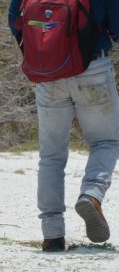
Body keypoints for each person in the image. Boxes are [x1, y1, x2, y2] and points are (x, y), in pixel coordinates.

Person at [9, 0, 119, 251]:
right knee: (105, 142)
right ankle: (91, 194)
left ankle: (52, 234)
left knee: (51, 156)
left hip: (48, 77)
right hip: (93, 69)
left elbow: (15, 23)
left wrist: (46, 52)